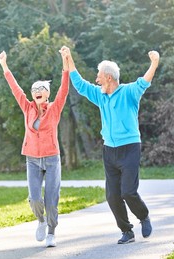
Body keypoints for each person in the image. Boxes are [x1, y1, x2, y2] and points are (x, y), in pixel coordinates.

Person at [64, 46, 160, 244]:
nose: (96, 80)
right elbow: (80, 85)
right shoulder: (100, 96)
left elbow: (144, 82)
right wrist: (68, 58)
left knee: (128, 192)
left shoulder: (129, 93)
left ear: (108, 77)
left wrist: (154, 63)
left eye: (99, 76)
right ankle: (127, 231)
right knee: (113, 196)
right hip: (109, 151)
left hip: (130, 148)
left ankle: (143, 217)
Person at [0, 47, 69, 247]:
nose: (37, 93)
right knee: (35, 198)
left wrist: (65, 61)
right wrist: (5, 66)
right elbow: (15, 88)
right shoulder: (27, 107)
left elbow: (64, 88)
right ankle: (41, 220)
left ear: (47, 95)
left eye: (41, 91)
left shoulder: (55, 108)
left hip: (52, 158)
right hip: (32, 158)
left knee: (51, 199)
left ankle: (52, 233)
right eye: (35, 91)